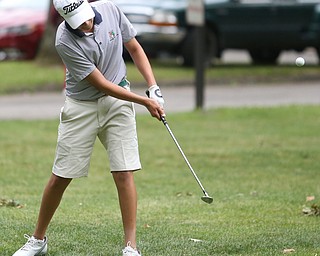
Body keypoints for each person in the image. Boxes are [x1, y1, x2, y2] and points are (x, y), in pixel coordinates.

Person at [12, 0, 165, 255]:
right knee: (61, 175)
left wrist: (153, 86)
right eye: (77, 21)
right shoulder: (63, 40)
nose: (85, 24)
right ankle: (38, 240)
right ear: (63, 18)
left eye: (85, 16)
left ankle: (131, 246)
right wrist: (144, 101)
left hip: (118, 102)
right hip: (81, 106)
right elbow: (101, 84)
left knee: (124, 172)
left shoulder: (111, 10)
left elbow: (135, 48)